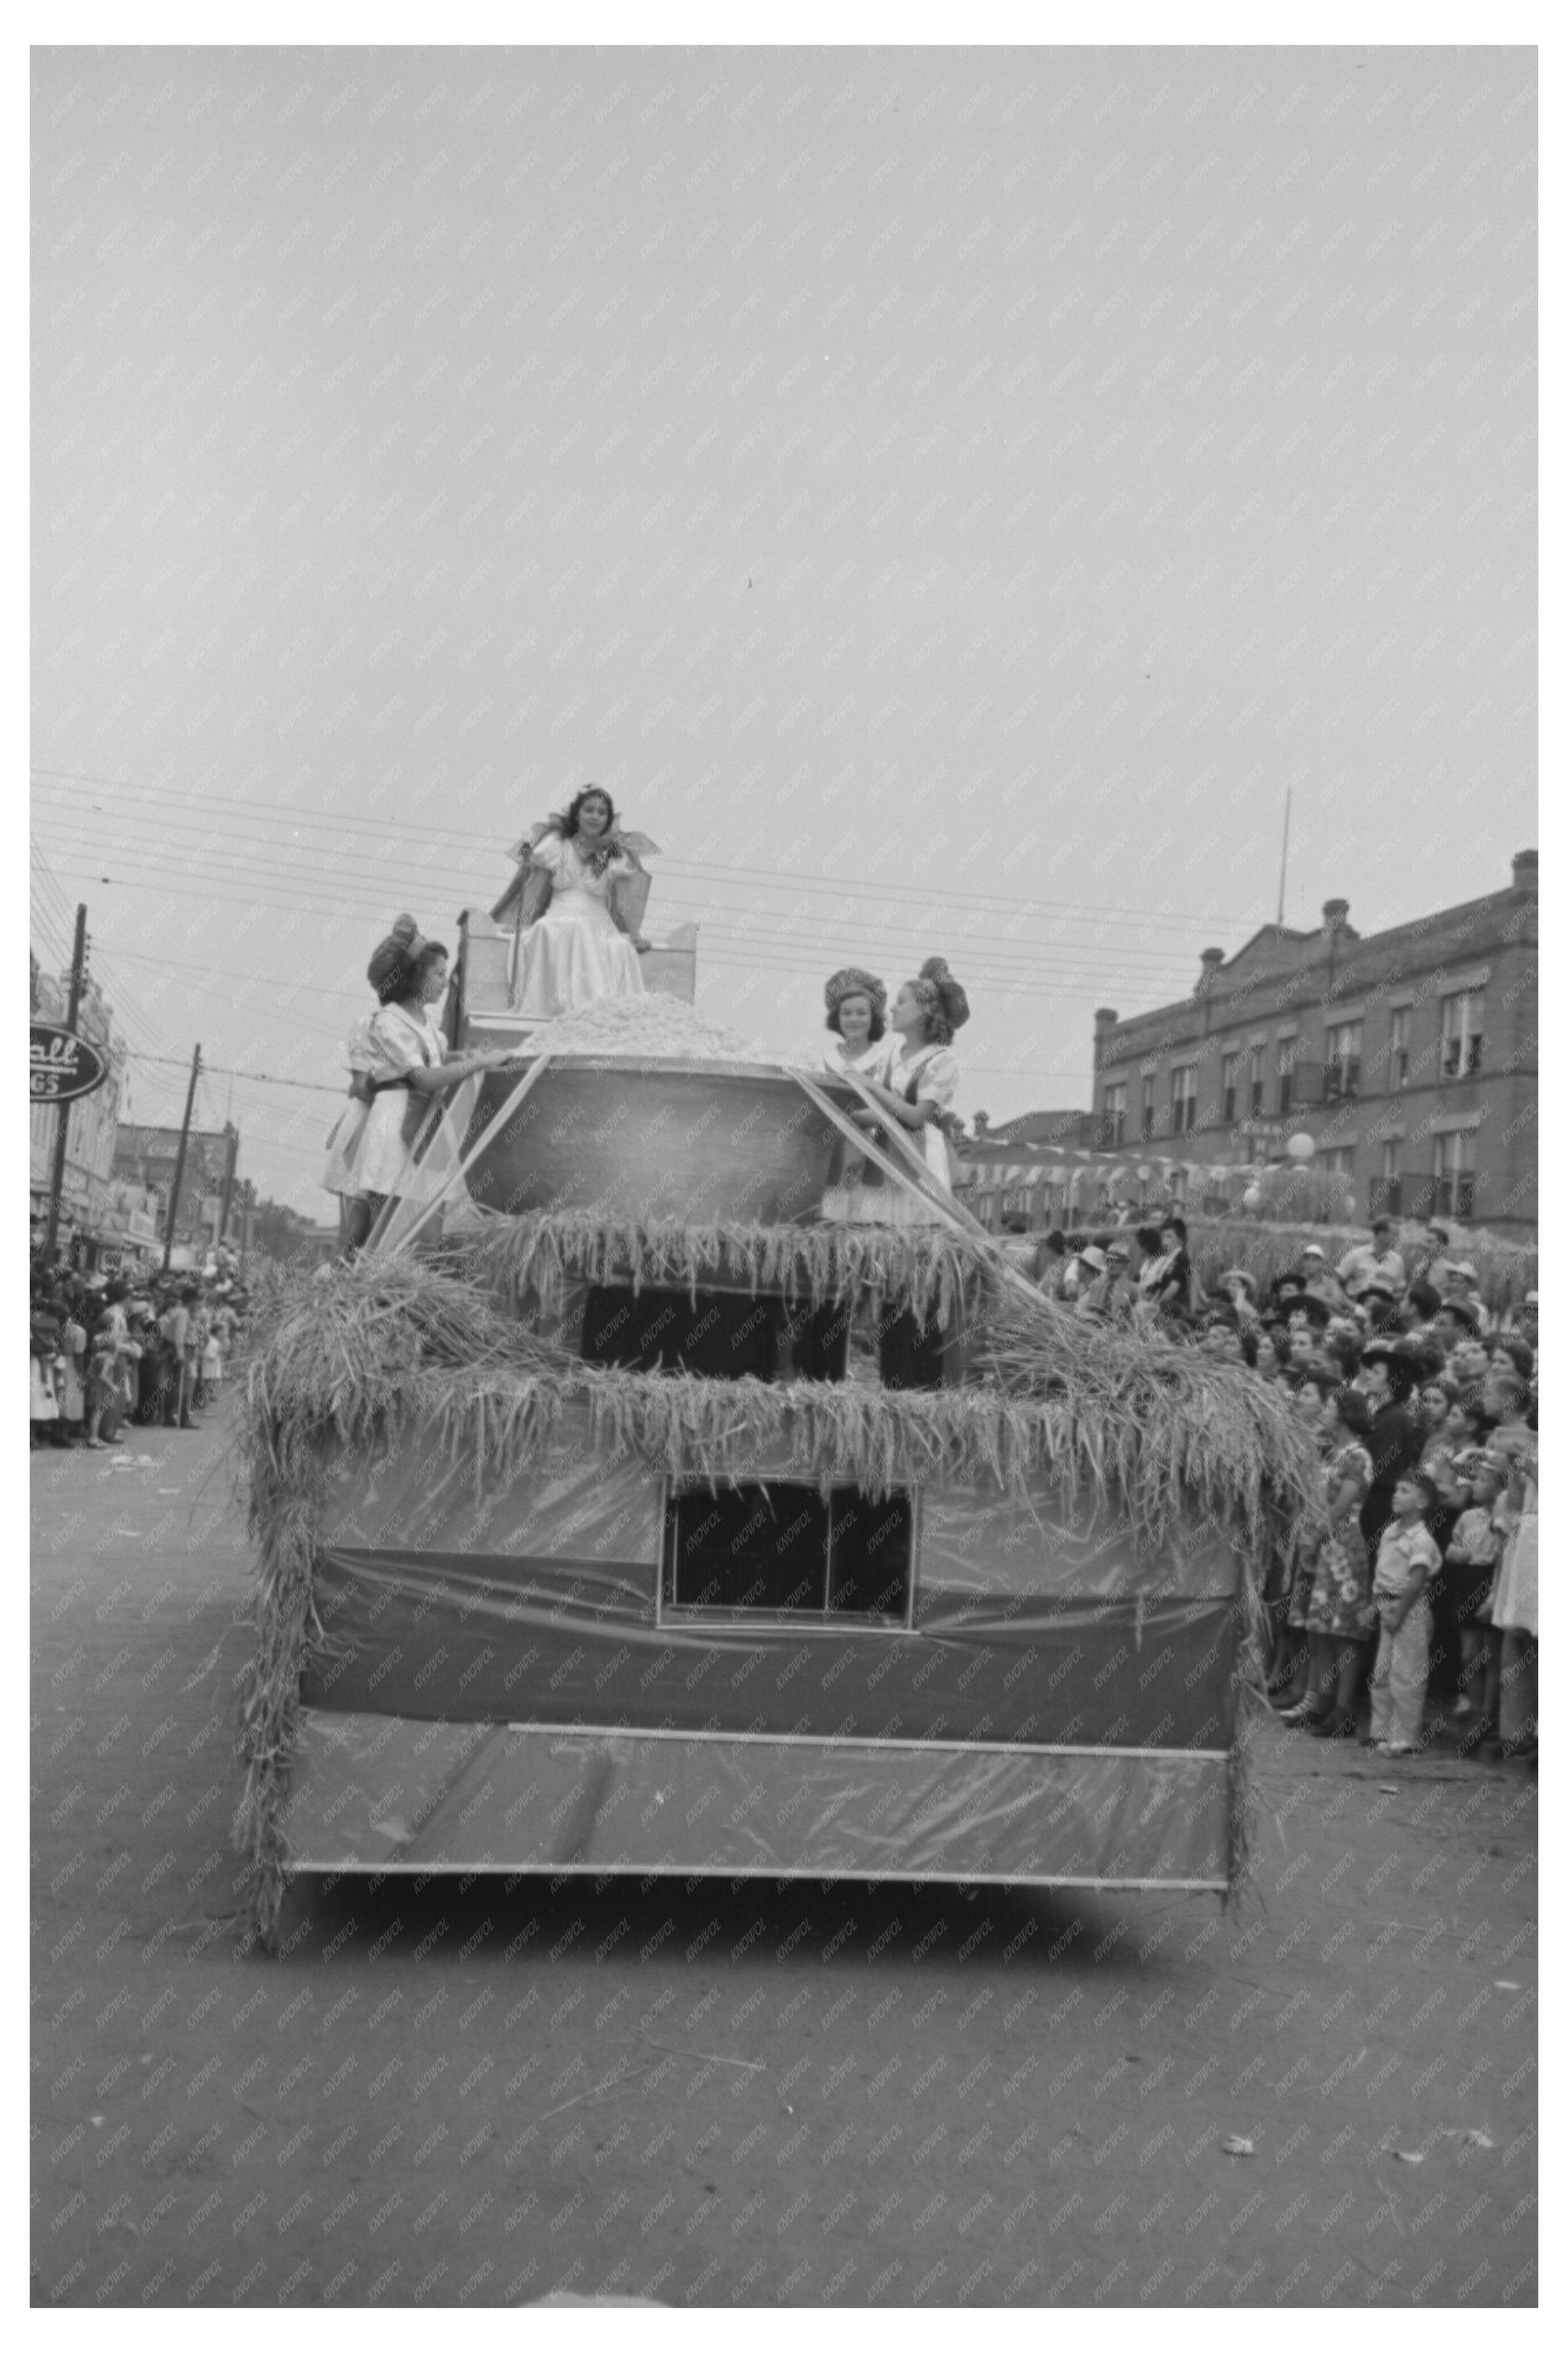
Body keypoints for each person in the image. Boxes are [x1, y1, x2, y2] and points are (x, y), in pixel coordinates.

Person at [847, 958, 969, 1387]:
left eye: (899, 1003)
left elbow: (916, 1116)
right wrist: (833, 1106)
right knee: (891, 1270)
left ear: (922, 1010)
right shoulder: (892, 1057)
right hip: (887, 1161)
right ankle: (893, 1375)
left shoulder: (941, 1061)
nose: (891, 1010)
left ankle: (924, 1378)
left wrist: (874, 1092)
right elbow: (872, 1113)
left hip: (918, 1164)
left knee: (920, 1270)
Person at [353, 938, 514, 1246]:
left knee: (426, 1229)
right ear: (416, 977)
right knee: (389, 1225)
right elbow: (425, 1078)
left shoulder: (429, 1028)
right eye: (438, 974)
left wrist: (475, 1056)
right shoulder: (388, 1023)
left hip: (425, 1123)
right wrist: (477, 1061)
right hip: (395, 1123)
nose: (444, 983)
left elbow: (438, 1061)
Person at [505, 787, 657, 1019]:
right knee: (553, 929)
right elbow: (536, 889)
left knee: (616, 946)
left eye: (601, 812)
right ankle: (563, 1008)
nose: (595, 817)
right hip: (559, 913)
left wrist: (635, 935)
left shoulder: (614, 853)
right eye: (589, 810)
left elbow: (625, 899)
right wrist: (521, 923)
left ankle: (593, 1012)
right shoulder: (558, 845)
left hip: (598, 922)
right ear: (577, 814)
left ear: (608, 819)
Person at [1280, 1386, 1379, 1736]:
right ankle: (1321, 1700)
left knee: (1343, 1631)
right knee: (1318, 1627)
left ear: (1346, 1414)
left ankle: (1344, 1708)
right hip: (1321, 1543)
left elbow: (1343, 1505)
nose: (1325, 1410)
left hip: (1342, 1546)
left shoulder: (1358, 1456)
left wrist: (1317, 1534)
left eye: (1332, 1406)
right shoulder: (1333, 1452)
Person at [327, 914, 422, 1252]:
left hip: (402, 1122)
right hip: (374, 1122)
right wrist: (398, 1082)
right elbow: (361, 1087)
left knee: (392, 1220)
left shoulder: (422, 1028)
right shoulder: (370, 1026)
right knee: (363, 1224)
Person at [1366, 1470, 1444, 1755]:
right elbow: (1383, 1572)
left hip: (1408, 1609)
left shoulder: (1421, 1539)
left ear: (1422, 1503)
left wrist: (1399, 1612)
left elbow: (1416, 1578)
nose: (1396, 1495)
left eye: (1405, 1491)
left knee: (1407, 1673)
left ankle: (1405, 1736)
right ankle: (1381, 1731)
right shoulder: (1391, 1531)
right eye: (1396, 1490)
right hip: (1387, 1605)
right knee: (1383, 1671)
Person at [1356, 1338, 1424, 1563]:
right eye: (1368, 1371)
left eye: (1376, 1372)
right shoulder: (1381, 1413)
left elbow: (1379, 1468)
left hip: (1377, 1502)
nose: (1367, 1376)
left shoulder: (1396, 1418)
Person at [1335, 1217, 1406, 1306]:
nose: (1398, 1239)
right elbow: (1335, 1282)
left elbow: (1400, 1289)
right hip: (1358, 1305)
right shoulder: (1356, 1256)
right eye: (1395, 1235)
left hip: (1385, 1309)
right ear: (1381, 1235)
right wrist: (1349, 1304)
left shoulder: (1398, 1261)